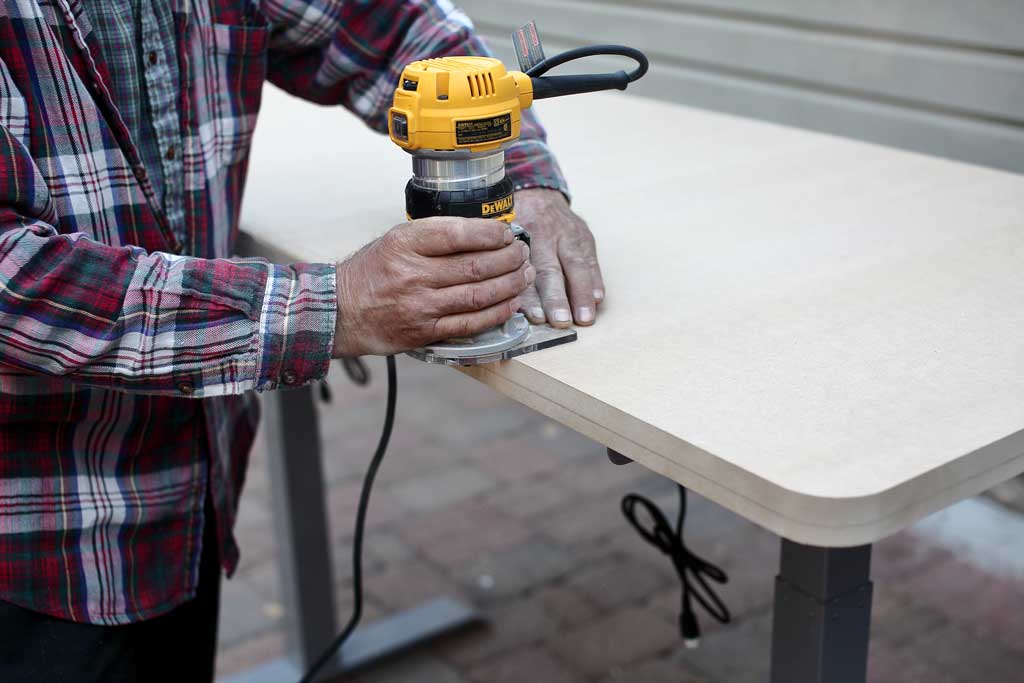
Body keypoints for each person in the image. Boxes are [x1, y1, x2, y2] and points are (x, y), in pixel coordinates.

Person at [0, 1, 604, 681]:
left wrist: (521, 176)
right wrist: (335, 306)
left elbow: (397, 28)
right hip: (36, 538)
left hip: (188, 492)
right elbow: (12, 279)